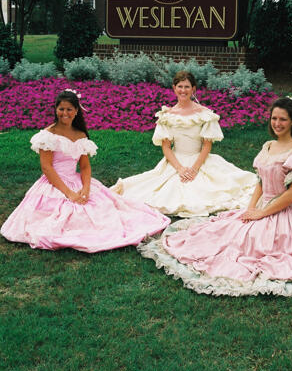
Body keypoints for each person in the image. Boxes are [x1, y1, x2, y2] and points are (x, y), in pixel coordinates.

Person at [137, 97, 292, 298]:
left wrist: (261, 212)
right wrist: (249, 209)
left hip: (288, 212)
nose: (277, 123)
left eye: (282, 119)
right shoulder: (268, 146)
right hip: (262, 204)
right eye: (274, 118)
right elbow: (260, 181)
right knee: (234, 234)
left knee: (260, 247)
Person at [0, 89, 170, 253]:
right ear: (55, 109)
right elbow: (47, 167)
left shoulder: (80, 134)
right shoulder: (48, 135)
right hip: (54, 183)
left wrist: (86, 187)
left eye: (69, 109)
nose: (64, 113)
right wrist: (69, 193)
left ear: (76, 111)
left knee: (103, 209)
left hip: (76, 179)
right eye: (61, 109)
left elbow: (85, 166)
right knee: (67, 214)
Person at [110, 71, 257, 217]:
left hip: (199, 159)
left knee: (211, 188)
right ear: (174, 88)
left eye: (187, 87)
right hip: (176, 160)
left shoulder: (204, 114)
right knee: (158, 189)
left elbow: (206, 145)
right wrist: (180, 169)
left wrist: (194, 169)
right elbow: (166, 147)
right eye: (180, 86)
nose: (183, 90)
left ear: (193, 89)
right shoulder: (167, 116)